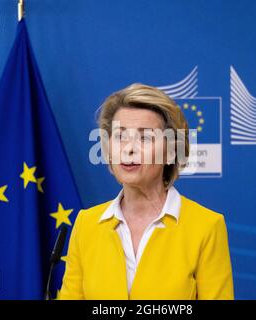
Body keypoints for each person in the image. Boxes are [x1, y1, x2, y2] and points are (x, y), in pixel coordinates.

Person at [59, 83, 233, 299]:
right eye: (120, 136)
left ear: (171, 152)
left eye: (145, 137)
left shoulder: (206, 227)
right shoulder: (87, 224)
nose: (129, 148)